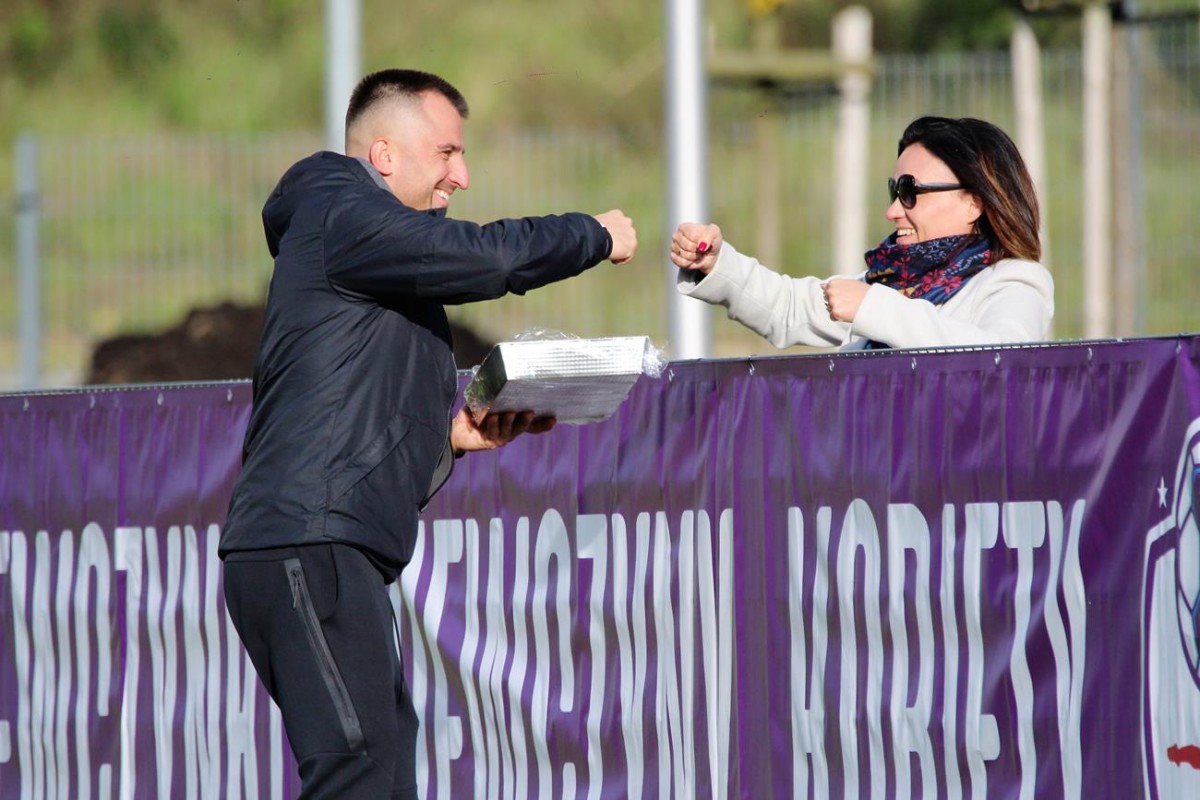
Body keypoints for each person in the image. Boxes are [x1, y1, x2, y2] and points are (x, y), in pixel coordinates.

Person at [219, 68, 637, 799]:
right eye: (447, 152)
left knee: (380, 770)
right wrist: (590, 235)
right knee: (359, 773)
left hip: (325, 547)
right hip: (310, 544)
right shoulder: (340, 211)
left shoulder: (356, 243)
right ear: (384, 154)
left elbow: (348, 407)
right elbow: (483, 257)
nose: (462, 176)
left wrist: (450, 439)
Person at [669, 115, 1053, 349]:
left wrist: (874, 308)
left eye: (910, 192)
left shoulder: (1016, 281)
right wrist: (716, 264)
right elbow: (787, 308)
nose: (892, 211)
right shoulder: (890, 284)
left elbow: (1003, 360)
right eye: (894, 191)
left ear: (974, 203)